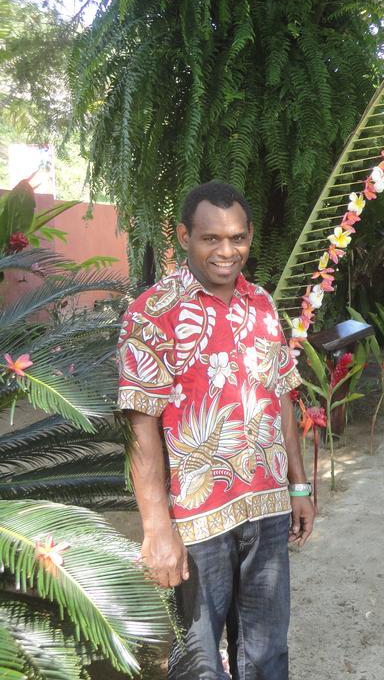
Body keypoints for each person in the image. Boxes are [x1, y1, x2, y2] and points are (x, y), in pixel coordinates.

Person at [117, 181, 315, 679]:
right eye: (211, 239)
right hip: (196, 521)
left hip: (268, 510)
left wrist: (298, 485)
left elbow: (282, 398)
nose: (227, 251)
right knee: (200, 661)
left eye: (238, 238)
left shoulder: (264, 306)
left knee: (267, 655)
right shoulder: (151, 315)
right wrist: (157, 528)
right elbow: (141, 430)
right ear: (185, 236)